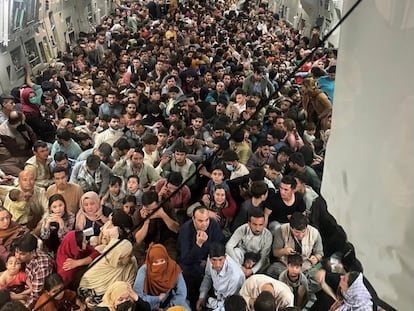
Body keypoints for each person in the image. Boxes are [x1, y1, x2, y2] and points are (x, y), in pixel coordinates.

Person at [177, 206, 225, 310]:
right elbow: (185, 258)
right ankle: (193, 302)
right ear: (193, 219)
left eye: (206, 220)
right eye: (200, 221)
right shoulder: (186, 229)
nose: (204, 224)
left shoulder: (213, 225)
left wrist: (208, 260)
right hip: (191, 263)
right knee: (186, 271)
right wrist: (198, 245)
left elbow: (220, 245)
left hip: (210, 260)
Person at [78, 239, 137, 306]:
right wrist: (87, 298)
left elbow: (128, 289)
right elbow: (85, 285)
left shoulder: (131, 263)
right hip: (97, 301)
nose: (132, 256)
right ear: (118, 258)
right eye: (129, 255)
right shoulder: (100, 263)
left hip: (118, 301)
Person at [266, 212, 323, 281]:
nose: (300, 235)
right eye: (297, 232)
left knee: (320, 271)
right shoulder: (281, 230)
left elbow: (320, 253)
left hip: (306, 265)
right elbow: (275, 252)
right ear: (291, 228)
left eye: (303, 232)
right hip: (286, 265)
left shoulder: (315, 233)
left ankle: (301, 286)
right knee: (271, 270)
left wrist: (316, 258)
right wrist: (284, 251)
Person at [133, 243, 190, 310]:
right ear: (150, 262)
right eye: (156, 262)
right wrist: (157, 299)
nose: (159, 265)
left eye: (162, 261)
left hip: (172, 303)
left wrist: (169, 307)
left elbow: (181, 293)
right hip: (149, 305)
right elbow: (137, 296)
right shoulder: (144, 270)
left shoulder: (173, 268)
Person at [196, 242, 245, 311]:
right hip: (216, 295)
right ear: (209, 258)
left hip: (229, 303)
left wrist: (211, 302)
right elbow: (208, 276)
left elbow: (230, 302)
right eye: (214, 260)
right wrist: (202, 296)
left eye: (220, 260)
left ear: (225, 258)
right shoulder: (209, 260)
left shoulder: (235, 276)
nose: (217, 264)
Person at [226, 209, 273, 277]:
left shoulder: (268, 235)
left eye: (260, 225)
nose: (258, 228)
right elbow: (229, 246)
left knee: (266, 262)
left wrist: (252, 271)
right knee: (236, 252)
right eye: (254, 224)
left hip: (257, 259)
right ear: (249, 223)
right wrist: (239, 267)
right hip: (242, 258)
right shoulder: (242, 229)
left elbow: (264, 257)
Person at [14, 233, 55, 309]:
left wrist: (24, 309)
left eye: (22, 254)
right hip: (25, 289)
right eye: (16, 252)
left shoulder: (41, 267)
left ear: (32, 253)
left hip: (39, 298)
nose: (17, 256)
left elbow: (36, 295)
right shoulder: (26, 255)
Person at [134, 191, 179, 258]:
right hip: (148, 241)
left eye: (154, 209)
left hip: (166, 239)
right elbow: (138, 239)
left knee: (171, 255)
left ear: (159, 203)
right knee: (136, 250)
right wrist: (146, 222)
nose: (152, 212)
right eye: (148, 210)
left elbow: (176, 229)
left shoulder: (167, 206)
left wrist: (163, 215)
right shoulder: (138, 213)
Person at [0, 111, 36, 176]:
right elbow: (16, 152)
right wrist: (32, 152)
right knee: (25, 175)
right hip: (9, 159)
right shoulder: (4, 131)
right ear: (19, 121)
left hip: (27, 151)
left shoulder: (22, 124)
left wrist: (36, 146)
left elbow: (32, 134)